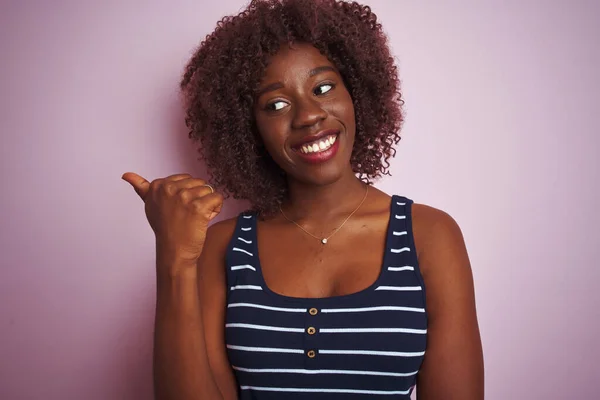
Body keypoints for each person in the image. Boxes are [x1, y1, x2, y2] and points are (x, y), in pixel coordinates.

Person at [122, 0, 484, 398]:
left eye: (323, 88)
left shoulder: (430, 236)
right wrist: (174, 257)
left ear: (357, 93)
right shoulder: (220, 248)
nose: (308, 115)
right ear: (249, 128)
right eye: (276, 104)